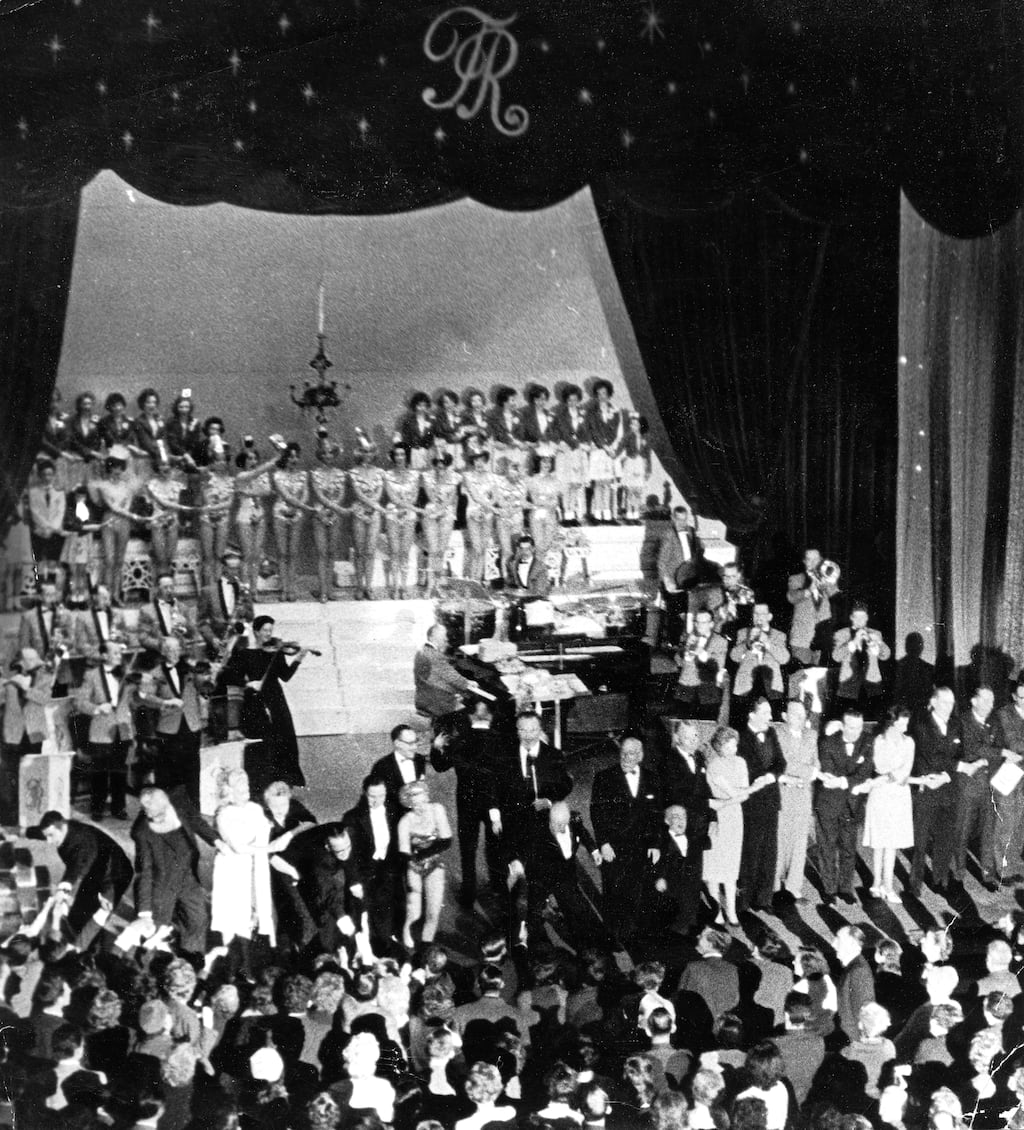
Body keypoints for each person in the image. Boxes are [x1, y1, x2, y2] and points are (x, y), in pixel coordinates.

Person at [488, 712, 573, 905]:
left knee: (542, 867)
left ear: (540, 730)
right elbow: (493, 787)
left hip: (542, 820)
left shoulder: (553, 756)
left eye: (533, 729)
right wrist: (495, 817)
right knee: (511, 868)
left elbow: (566, 785)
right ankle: (510, 911)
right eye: (523, 730)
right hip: (512, 820)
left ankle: (540, 906)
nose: (528, 735)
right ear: (517, 731)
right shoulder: (504, 756)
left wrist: (549, 801)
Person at [130, 785, 223, 960]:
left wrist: (216, 840)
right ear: (147, 814)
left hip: (187, 876)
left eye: (163, 814)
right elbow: (145, 872)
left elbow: (195, 820)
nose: (161, 819)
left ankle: (191, 962)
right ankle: (146, 968)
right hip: (162, 884)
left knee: (198, 918)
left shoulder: (178, 799)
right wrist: (145, 912)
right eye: (155, 817)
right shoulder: (142, 832)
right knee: (154, 931)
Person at [590, 737, 663, 948]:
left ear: (640, 755)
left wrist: (655, 844)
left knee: (638, 890)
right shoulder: (605, 778)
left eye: (630, 754)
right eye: (622, 752)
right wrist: (603, 843)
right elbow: (597, 813)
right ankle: (612, 936)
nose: (625, 758)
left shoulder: (652, 778)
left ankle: (632, 934)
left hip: (641, 846)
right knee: (613, 890)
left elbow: (656, 814)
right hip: (614, 846)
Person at [430, 699, 503, 907]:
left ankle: (468, 893)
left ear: (471, 717)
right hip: (493, 803)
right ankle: (497, 886)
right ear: (489, 716)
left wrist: (436, 748)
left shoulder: (460, 741)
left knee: (468, 849)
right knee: (495, 846)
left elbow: (440, 766)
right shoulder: (499, 740)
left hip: (467, 801)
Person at [229, 615, 310, 787]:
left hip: (275, 697)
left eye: (270, 630)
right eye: (265, 630)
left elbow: (285, 676)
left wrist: (299, 658)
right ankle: (266, 778)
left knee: (285, 735)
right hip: (255, 699)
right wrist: (249, 683)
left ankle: (286, 778)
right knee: (266, 739)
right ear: (256, 631)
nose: (269, 634)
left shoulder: (276, 651)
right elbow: (234, 678)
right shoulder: (244, 653)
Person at [211, 769, 280, 962]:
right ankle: (233, 965)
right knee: (234, 919)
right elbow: (239, 847)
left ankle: (252, 962)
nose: (246, 791)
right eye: (240, 789)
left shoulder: (255, 808)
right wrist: (269, 847)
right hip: (233, 872)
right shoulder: (224, 814)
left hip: (255, 870)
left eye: (247, 786)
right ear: (229, 792)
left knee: (256, 917)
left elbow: (266, 830)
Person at [39, 810, 133, 948]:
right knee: (79, 911)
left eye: (51, 836)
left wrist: (62, 890)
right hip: (94, 872)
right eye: (46, 836)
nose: (48, 841)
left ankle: (88, 950)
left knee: (94, 918)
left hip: (113, 875)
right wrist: (22, 831)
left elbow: (76, 868)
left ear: (62, 827)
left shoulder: (82, 842)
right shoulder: (63, 827)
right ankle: (74, 937)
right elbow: (42, 831)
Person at [73, 637, 139, 821]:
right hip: (101, 730)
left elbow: (133, 701)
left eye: (120, 652)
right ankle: (97, 809)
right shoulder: (91, 675)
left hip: (123, 729)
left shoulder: (126, 674)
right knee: (100, 773)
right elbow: (79, 702)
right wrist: (97, 708)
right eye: (115, 653)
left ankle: (119, 808)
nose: (120, 656)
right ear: (104, 655)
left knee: (120, 772)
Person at [703, 725, 763, 925]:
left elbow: (743, 794)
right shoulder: (714, 766)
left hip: (735, 818)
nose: (733, 749)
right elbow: (736, 792)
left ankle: (731, 910)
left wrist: (746, 790)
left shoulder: (740, 762)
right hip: (718, 818)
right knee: (714, 866)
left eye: (735, 745)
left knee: (730, 867)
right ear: (719, 747)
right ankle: (716, 911)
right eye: (728, 746)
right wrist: (753, 787)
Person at [815, 706, 873, 905]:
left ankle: (845, 889)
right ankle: (829, 890)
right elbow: (829, 773)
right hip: (829, 804)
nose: (855, 732)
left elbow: (865, 771)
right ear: (842, 725)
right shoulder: (828, 743)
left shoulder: (867, 740)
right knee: (827, 847)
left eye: (858, 728)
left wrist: (843, 781)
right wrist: (851, 782)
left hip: (852, 805)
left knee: (849, 849)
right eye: (850, 728)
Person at [137, 635, 205, 801]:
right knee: (169, 777)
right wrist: (166, 702)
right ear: (163, 652)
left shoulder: (191, 669)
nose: (174, 653)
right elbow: (144, 697)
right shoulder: (154, 674)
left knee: (192, 776)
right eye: (170, 649)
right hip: (168, 730)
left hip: (191, 727)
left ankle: (193, 815)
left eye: (177, 649)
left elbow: (204, 688)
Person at [909, 686, 961, 895]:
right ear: (934, 702)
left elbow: (960, 756)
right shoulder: (920, 724)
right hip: (927, 788)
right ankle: (915, 883)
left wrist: (946, 776)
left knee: (945, 839)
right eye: (945, 702)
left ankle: (940, 879)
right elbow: (923, 756)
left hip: (947, 790)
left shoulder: (956, 725)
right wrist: (928, 778)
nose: (949, 707)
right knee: (920, 840)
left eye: (952, 703)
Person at [343, 775, 403, 955]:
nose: (376, 801)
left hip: (387, 873)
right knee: (362, 921)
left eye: (381, 796)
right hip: (363, 875)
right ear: (364, 793)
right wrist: (354, 882)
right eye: (372, 796)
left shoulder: (394, 812)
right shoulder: (352, 817)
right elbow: (348, 855)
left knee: (385, 920)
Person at [737, 698, 787, 912]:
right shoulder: (740, 737)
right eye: (765, 713)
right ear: (752, 715)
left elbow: (781, 762)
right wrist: (760, 778)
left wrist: (771, 776)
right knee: (751, 852)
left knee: (769, 852)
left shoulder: (772, 733)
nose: (770, 717)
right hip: (751, 803)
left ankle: (764, 899)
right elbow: (742, 769)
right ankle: (745, 900)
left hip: (771, 801)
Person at [863, 706, 915, 902]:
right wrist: (894, 772)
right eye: (900, 723)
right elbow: (878, 765)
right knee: (879, 843)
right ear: (891, 723)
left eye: (906, 722)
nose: (904, 726)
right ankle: (876, 884)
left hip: (899, 796)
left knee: (892, 843)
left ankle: (888, 886)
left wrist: (892, 774)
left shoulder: (909, 742)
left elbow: (907, 768)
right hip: (880, 795)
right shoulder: (879, 740)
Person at [397, 779, 452, 951]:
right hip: (413, 865)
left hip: (434, 863)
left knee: (433, 911)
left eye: (423, 801)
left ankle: (425, 946)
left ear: (428, 797)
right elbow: (404, 852)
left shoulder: (437, 810)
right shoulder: (405, 821)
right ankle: (407, 931)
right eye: (416, 805)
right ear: (409, 804)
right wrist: (416, 863)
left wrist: (424, 855)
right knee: (415, 908)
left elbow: (446, 841)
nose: (421, 807)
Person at [1, 648, 53, 826]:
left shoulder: (44, 677)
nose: (37, 663)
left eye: (36, 659)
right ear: (20, 662)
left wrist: (26, 688)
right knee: (10, 775)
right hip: (12, 733)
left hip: (34, 734)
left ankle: (33, 815)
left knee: (33, 774)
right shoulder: (8, 677)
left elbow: (46, 699)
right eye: (30, 660)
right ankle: (10, 817)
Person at [774, 698, 819, 902]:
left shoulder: (812, 735)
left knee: (799, 842)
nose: (800, 719)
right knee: (779, 839)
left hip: (802, 795)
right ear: (784, 716)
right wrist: (802, 771)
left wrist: (801, 772)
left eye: (803, 715)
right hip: (782, 794)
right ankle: (774, 886)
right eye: (795, 714)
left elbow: (816, 765)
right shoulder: (776, 734)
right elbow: (780, 764)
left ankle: (793, 887)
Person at [954, 686, 999, 889]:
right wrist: (1001, 752)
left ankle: (988, 874)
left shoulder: (992, 722)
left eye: (992, 701)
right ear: (974, 701)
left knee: (988, 830)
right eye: (986, 700)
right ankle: (959, 872)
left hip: (989, 785)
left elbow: (993, 748)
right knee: (962, 828)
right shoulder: (963, 721)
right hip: (968, 786)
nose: (990, 705)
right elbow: (971, 749)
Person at [90, 447, 143, 601]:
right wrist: (134, 516)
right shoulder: (103, 486)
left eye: (120, 468)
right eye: (114, 468)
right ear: (109, 468)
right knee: (109, 560)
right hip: (109, 521)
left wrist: (130, 515)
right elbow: (113, 507)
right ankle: (105, 596)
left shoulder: (127, 487)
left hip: (124, 523)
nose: (117, 471)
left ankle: (115, 595)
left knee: (120, 560)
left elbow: (126, 506)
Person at [650, 804, 706, 938]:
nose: (681, 820)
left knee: (692, 915)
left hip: (692, 888)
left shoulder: (693, 839)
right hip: (673, 890)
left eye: (684, 817)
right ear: (667, 821)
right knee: (675, 922)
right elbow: (658, 864)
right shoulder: (662, 842)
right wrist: (660, 877)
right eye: (676, 817)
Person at [413, 624, 481, 734]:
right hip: (435, 701)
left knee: (460, 699)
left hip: (424, 696)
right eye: (443, 635)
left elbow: (437, 678)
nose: (446, 638)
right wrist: (468, 684)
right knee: (463, 714)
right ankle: (464, 742)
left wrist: (461, 688)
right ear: (432, 637)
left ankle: (448, 735)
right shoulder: (433, 655)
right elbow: (452, 677)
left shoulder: (422, 651)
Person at [657, 504, 706, 645]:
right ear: (673, 518)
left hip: (689, 577)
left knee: (699, 601)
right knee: (678, 607)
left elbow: (700, 551)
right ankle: (674, 642)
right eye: (678, 519)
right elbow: (661, 562)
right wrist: (667, 581)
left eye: (684, 520)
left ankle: (694, 639)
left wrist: (700, 541)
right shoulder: (668, 535)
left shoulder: (690, 531)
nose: (681, 523)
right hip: (673, 580)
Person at [991, 680, 1024, 884]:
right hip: (1009, 775)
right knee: (1006, 821)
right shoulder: (1004, 714)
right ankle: (1001, 869)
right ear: (1014, 697)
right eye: (1021, 697)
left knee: (1020, 823)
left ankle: (1012, 864)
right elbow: (1015, 744)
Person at [234, 441, 277, 594]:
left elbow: (268, 491)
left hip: (260, 514)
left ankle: (254, 590)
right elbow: (258, 482)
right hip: (245, 515)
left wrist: (252, 492)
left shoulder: (261, 475)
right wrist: (274, 460)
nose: (253, 461)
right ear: (243, 461)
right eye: (249, 458)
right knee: (247, 555)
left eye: (254, 458)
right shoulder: (241, 476)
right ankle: (244, 590)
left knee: (257, 555)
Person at [832, 604, 892, 714]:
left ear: (867, 618)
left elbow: (886, 655)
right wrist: (854, 641)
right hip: (848, 688)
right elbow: (836, 657)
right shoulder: (841, 634)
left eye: (863, 617)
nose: (860, 621)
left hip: (872, 687)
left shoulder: (875, 633)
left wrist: (877, 642)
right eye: (857, 617)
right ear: (851, 618)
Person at [270, 441, 311, 601]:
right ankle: (283, 588)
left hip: (297, 514)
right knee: (282, 552)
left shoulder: (303, 475)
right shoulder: (277, 474)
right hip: (280, 512)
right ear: (285, 457)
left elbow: (306, 493)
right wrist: (296, 506)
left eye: (296, 456)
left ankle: (292, 588)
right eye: (290, 456)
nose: (293, 459)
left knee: (293, 552)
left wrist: (298, 508)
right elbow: (284, 494)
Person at [349, 432, 387, 599]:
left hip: (374, 514)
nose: (368, 455)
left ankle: (369, 586)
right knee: (359, 551)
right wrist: (373, 505)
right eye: (364, 451)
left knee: (371, 551)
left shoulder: (380, 472)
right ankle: (359, 586)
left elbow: (379, 493)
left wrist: (374, 506)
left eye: (370, 451)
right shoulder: (353, 472)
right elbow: (358, 494)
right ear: (359, 453)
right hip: (358, 512)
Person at [731, 603, 791, 706]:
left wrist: (767, 642)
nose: (758, 617)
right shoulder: (743, 632)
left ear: (769, 616)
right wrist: (747, 642)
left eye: (762, 613)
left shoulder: (779, 635)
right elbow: (734, 657)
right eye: (756, 613)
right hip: (746, 686)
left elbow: (785, 659)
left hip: (771, 685)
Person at [382, 442, 421, 600]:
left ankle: (404, 586)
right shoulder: (387, 475)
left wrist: (407, 508)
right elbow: (391, 496)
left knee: (405, 552)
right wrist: (402, 507)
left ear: (407, 456)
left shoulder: (415, 475)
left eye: (402, 454)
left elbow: (415, 495)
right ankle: (395, 586)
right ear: (393, 456)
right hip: (393, 513)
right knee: (394, 551)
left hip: (409, 514)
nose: (399, 457)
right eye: (397, 454)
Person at [787, 549, 839, 666]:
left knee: (821, 675)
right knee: (801, 674)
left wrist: (827, 583)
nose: (813, 562)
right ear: (804, 561)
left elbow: (835, 595)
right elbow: (791, 597)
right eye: (809, 559)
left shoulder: (827, 577)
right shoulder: (795, 579)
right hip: (802, 636)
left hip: (822, 635)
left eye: (816, 559)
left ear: (821, 561)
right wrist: (809, 590)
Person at [675, 608, 728, 718]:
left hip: (708, 693)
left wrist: (701, 653)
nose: (699, 625)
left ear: (711, 624)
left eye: (703, 622)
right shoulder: (689, 637)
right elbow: (678, 661)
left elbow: (717, 666)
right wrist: (684, 651)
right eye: (697, 622)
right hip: (685, 690)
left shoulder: (720, 641)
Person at [369, 724, 428, 818]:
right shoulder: (381, 766)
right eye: (410, 743)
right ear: (397, 743)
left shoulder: (419, 759)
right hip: (392, 818)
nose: (414, 747)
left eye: (415, 742)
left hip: (416, 817)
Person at [422, 453, 461, 592]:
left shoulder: (455, 477)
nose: (440, 468)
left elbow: (452, 497)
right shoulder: (427, 476)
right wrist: (437, 511)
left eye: (443, 465)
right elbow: (431, 495)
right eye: (437, 465)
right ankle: (429, 585)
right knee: (433, 550)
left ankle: (438, 584)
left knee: (441, 551)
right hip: (431, 511)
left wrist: (443, 510)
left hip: (447, 513)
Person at [585, 380, 622, 522]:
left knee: (607, 483)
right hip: (598, 450)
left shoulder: (615, 411)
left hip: (609, 450)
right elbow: (594, 431)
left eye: (604, 393)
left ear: (609, 394)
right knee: (598, 483)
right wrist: (605, 446)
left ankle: (607, 513)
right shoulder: (592, 412)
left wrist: (611, 447)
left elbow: (615, 431)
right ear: (595, 395)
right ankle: (597, 513)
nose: (602, 396)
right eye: (599, 394)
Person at [552, 384, 590, 525]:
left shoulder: (583, 414)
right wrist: (570, 443)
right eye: (569, 400)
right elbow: (559, 432)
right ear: (565, 401)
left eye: (575, 399)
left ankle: (575, 513)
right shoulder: (560, 415)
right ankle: (567, 514)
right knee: (567, 484)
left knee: (576, 484)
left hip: (579, 453)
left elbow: (587, 432)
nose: (572, 402)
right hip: (567, 452)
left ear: (578, 399)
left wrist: (585, 443)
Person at [136, 570, 197, 653]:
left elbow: (193, 633)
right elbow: (143, 637)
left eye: (171, 587)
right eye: (165, 587)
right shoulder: (147, 610)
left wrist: (185, 624)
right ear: (157, 589)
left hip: (181, 654)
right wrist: (161, 644)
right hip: (158, 654)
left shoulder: (182, 607)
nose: (169, 591)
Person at [834, 924, 875, 1045]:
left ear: (852, 944)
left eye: (838, 939)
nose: (833, 944)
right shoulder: (853, 967)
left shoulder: (859, 971)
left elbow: (863, 1013)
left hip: (853, 1041)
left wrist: (858, 1045)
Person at [462, 450, 499, 584]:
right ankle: (473, 580)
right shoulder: (467, 476)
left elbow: (496, 496)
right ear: (472, 461)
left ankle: (479, 581)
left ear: (486, 461)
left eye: (482, 460)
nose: (479, 463)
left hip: (487, 514)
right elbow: (475, 495)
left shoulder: (492, 477)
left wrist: (489, 507)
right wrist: (489, 507)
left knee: (483, 548)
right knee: (476, 548)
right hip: (472, 513)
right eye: (476, 460)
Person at [27, 458, 67, 575]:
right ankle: (40, 586)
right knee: (39, 560)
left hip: (55, 531)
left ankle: (51, 587)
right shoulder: (33, 492)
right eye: (44, 474)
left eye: (50, 474)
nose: (47, 477)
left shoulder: (59, 493)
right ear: (40, 475)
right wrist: (46, 527)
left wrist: (53, 527)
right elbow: (35, 512)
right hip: (39, 531)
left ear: (53, 475)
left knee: (53, 559)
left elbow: (61, 511)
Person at [527, 449, 562, 553]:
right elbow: (535, 500)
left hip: (550, 515)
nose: (547, 464)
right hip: (537, 515)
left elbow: (555, 501)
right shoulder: (533, 479)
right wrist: (548, 501)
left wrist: (544, 500)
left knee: (547, 546)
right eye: (544, 461)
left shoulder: (555, 480)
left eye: (549, 461)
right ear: (538, 463)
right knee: (539, 546)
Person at [398, 390, 436, 470]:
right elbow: (406, 440)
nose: (421, 408)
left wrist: (431, 449)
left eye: (424, 406)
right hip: (414, 452)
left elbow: (433, 437)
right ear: (414, 406)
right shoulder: (408, 421)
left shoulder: (432, 420)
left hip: (428, 452)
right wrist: (407, 458)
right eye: (419, 405)